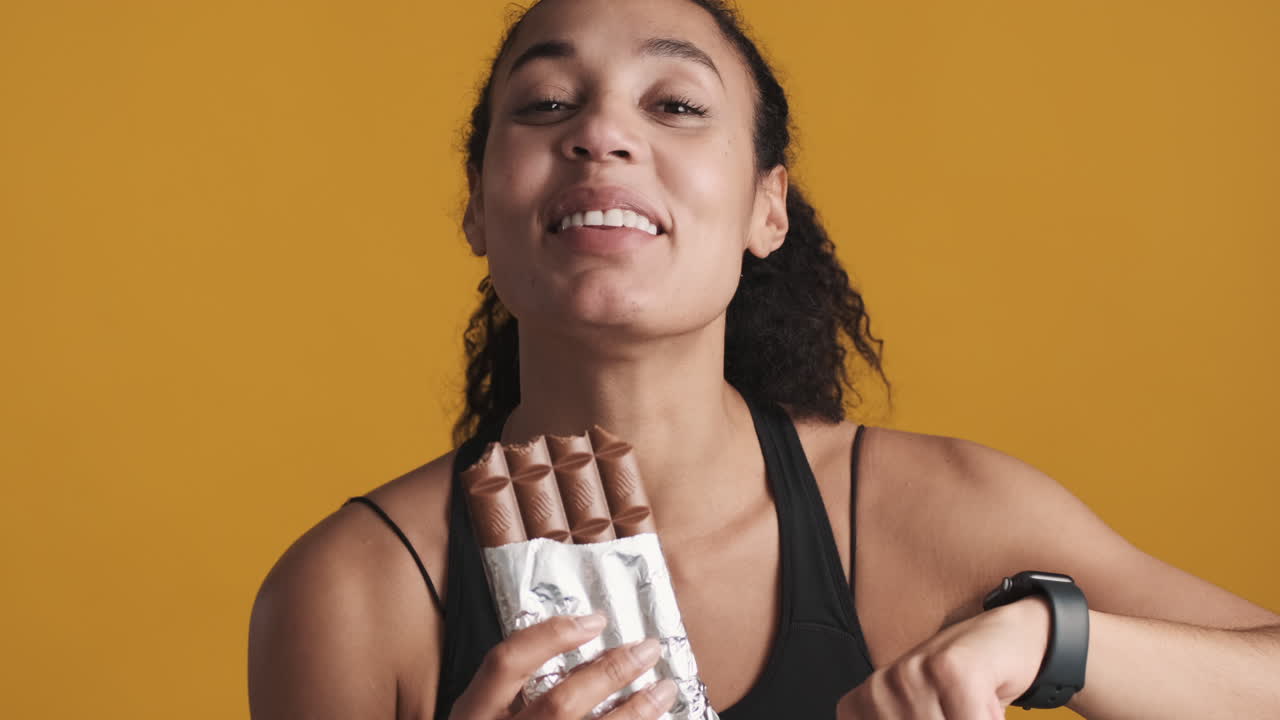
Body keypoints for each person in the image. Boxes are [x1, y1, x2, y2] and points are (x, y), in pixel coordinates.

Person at [247, 0, 1280, 718]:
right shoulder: (357, 594)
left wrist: (1049, 641)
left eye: (675, 105)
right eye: (547, 104)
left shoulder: (926, 517)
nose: (600, 132)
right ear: (477, 205)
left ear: (765, 208)